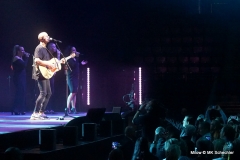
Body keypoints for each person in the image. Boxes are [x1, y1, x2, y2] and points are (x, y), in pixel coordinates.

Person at [31, 32, 65, 120]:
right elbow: (37, 61)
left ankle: (41, 112)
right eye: (47, 36)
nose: (49, 37)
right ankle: (35, 113)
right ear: (42, 38)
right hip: (40, 73)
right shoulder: (39, 48)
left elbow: (48, 61)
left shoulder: (45, 48)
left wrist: (58, 62)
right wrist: (48, 65)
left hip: (45, 73)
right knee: (43, 93)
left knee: (49, 93)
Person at [64, 46, 87, 114]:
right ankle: (67, 108)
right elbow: (72, 66)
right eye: (73, 50)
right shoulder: (69, 59)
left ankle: (73, 108)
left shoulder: (75, 59)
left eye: (75, 50)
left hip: (76, 77)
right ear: (70, 52)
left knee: (75, 93)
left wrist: (81, 64)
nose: (75, 51)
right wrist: (73, 57)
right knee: (73, 92)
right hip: (71, 77)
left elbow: (76, 66)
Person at [11, 45, 29, 115]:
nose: (23, 52)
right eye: (22, 50)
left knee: (22, 93)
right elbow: (24, 65)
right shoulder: (16, 58)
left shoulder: (20, 58)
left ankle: (21, 109)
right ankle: (16, 109)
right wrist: (27, 57)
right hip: (18, 77)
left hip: (22, 77)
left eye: (23, 50)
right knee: (19, 93)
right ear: (18, 51)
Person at [45, 42, 61, 114]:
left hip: (51, 75)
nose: (55, 48)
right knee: (46, 92)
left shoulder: (53, 55)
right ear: (50, 48)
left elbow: (58, 64)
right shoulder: (46, 54)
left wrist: (58, 55)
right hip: (46, 75)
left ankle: (50, 108)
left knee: (51, 92)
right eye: (54, 47)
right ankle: (45, 108)